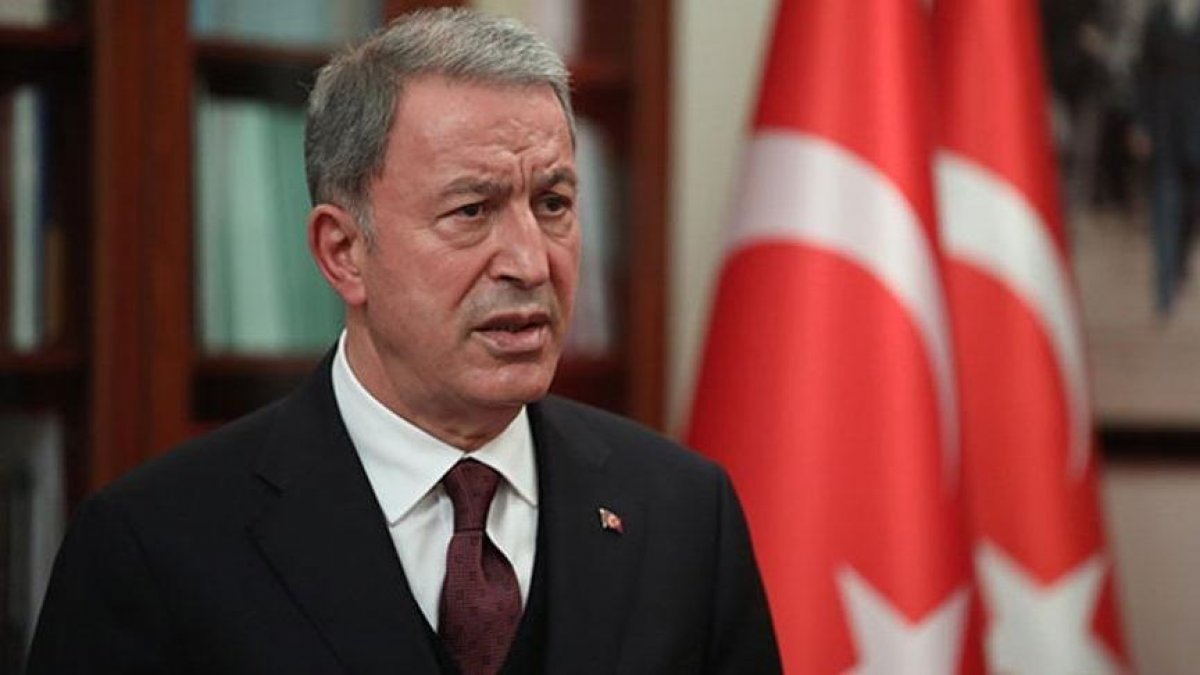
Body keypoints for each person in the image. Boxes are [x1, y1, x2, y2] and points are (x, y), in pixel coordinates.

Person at [26, 8, 781, 674]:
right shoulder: (152, 545)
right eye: (471, 211)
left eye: (552, 203)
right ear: (343, 252)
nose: (530, 262)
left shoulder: (684, 513)